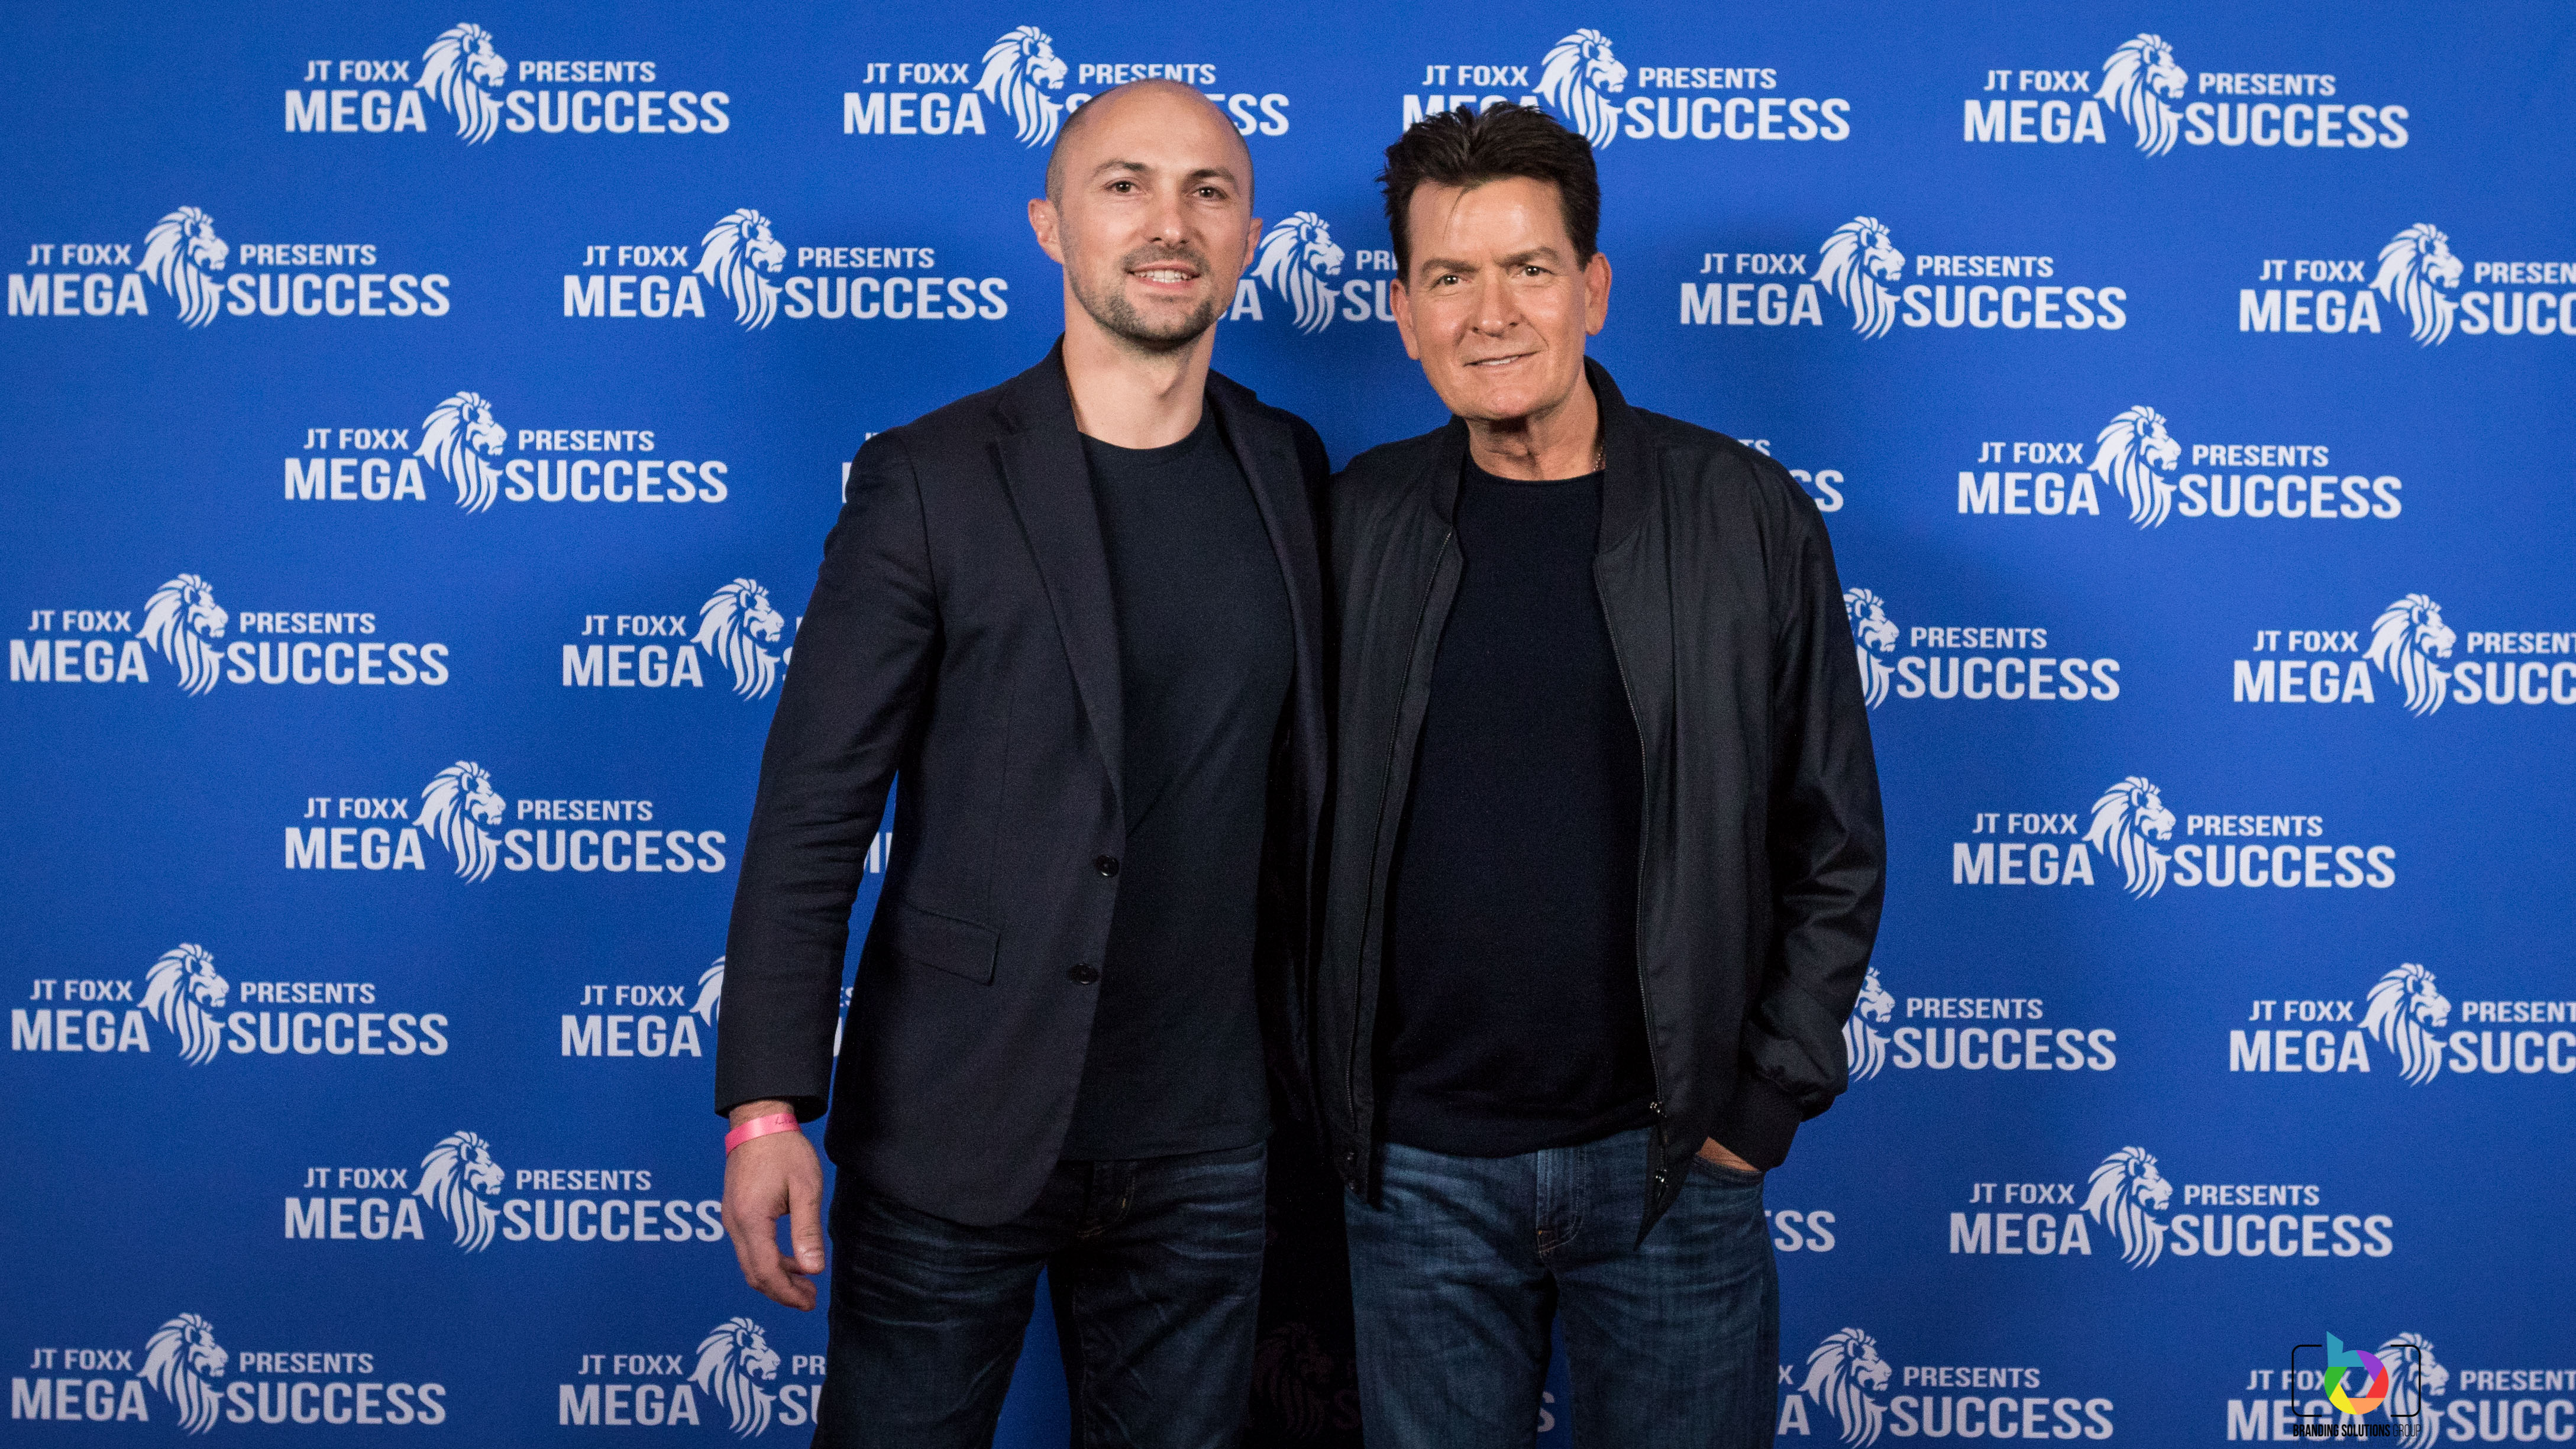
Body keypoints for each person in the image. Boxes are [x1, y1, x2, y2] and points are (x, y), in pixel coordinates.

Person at [714, 79, 1329, 1449]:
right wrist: (765, 1107)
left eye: (1209, 192)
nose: (1169, 222)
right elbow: (813, 812)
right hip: (953, 1121)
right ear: (1052, 225)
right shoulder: (930, 477)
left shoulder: (1289, 467)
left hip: (1211, 1142)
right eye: (1125, 185)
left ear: (1250, 237)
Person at [1314, 104, 1886, 1448]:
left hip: (1670, 1164)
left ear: (1594, 288)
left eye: (1529, 268)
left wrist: (1754, 1112)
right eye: (1449, 277)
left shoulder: (1743, 515)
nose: (1491, 314)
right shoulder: (1351, 524)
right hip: (1415, 1173)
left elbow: (1835, 841)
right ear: (1404, 314)